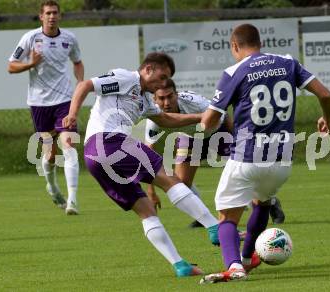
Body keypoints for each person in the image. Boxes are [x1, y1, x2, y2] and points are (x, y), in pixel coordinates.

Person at [62, 52, 221, 277]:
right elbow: (86, 85)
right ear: (147, 69)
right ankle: (215, 228)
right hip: (109, 141)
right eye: (162, 75)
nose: (163, 82)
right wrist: (72, 115)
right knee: (168, 178)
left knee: (145, 210)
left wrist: (200, 116)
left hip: (94, 157)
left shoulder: (146, 99)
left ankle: (180, 266)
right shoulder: (126, 78)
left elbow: (166, 119)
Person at [199, 23, 330, 283]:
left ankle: (235, 266)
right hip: (281, 160)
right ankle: (248, 258)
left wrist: (197, 124)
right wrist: (326, 118)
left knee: (227, 217)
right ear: (259, 42)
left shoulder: (234, 71)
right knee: (263, 201)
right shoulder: (287, 62)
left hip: (246, 156)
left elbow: (208, 122)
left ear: (235, 46)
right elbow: (325, 94)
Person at [145, 80, 286, 227]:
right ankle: (205, 218)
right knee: (181, 184)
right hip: (191, 138)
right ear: (155, 100)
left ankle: (271, 201)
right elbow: (148, 154)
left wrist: (238, 140)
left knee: (243, 171)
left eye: (170, 96)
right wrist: (151, 192)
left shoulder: (195, 103)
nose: (166, 102)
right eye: (161, 98)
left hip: (218, 130)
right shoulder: (154, 118)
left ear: (177, 94)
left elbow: (222, 115)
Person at [8, 0, 84, 215]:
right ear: (41, 17)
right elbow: (11, 65)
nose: (52, 16)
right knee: (50, 154)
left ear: (60, 16)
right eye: (48, 13)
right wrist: (31, 64)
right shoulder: (31, 38)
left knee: (69, 146)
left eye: (55, 13)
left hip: (64, 102)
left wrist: (80, 83)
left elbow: (77, 62)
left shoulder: (69, 38)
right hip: (39, 103)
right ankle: (51, 186)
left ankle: (73, 200)